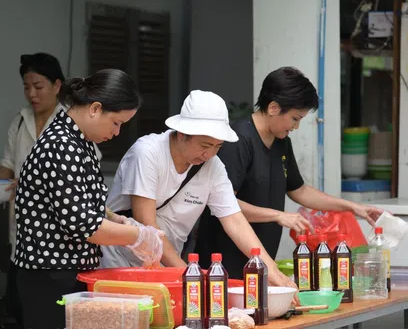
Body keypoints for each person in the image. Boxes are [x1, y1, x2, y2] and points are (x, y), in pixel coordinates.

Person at [194, 66, 384, 279]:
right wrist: (278, 216)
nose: (297, 126)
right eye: (295, 118)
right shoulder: (238, 140)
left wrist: (352, 207)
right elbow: (223, 204)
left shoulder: (281, 143)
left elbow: (299, 190)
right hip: (223, 265)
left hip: (259, 262)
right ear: (274, 108)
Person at [13, 69, 163, 329]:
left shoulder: (79, 142)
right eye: (116, 123)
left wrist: (118, 220)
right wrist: (138, 237)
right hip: (49, 275)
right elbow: (83, 224)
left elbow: (84, 203)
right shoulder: (62, 144)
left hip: (69, 272)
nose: (117, 133)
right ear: (95, 108)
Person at [100, 90, 294, 289]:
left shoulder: (213, 166)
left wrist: (272, 270)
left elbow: (235, 220)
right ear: (182, 134)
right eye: (205, 145)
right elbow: (148, 225)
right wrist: (190, 277)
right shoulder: (148, 153)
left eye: (218, 147)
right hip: (119, 263)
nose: (209, 154)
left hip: (165, 267)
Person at [0, 52, 80, 327]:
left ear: (57, 86)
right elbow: (9, 169)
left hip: (58, 239)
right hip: (22, 233)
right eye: (26, 87)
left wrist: (32, 182)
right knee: (21, 307)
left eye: (38, 86)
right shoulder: (19, 122)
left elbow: (80, 177)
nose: (31, 94)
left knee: (54, 310)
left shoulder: (73, 123)